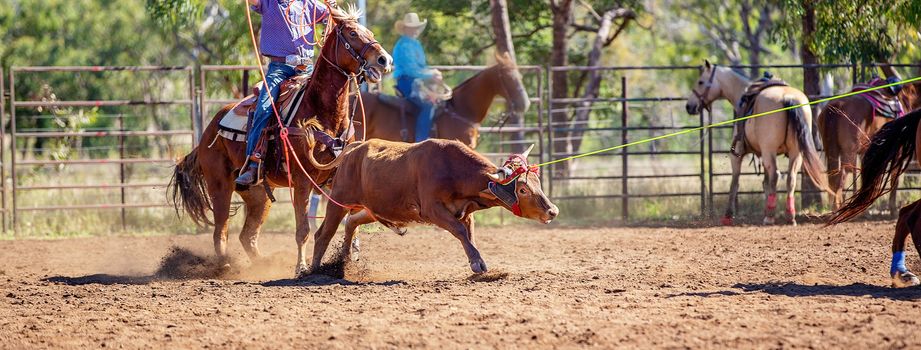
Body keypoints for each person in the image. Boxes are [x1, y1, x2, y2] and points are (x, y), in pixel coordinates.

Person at [236, 0, 336, 186]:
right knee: (264, 107)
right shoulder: (269, 3)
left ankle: (338, 154)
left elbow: (332, 15)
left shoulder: (309, 4)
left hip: (308, 68)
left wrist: (332, 8)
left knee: (333, 99)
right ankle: (254, 163)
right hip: (279, 68)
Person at [392, 12, 442, 142]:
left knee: (439, 101)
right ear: (405, 29)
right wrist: (432, 74)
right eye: (411, 27)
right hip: (406, 81)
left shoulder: (415, 44)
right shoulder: (404, 45)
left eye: (416, 27)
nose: (415, 30)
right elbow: (411, 70)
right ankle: (421, 141)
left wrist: (433, 72)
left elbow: (420, 67)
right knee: (427, 105)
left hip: (417, 81)